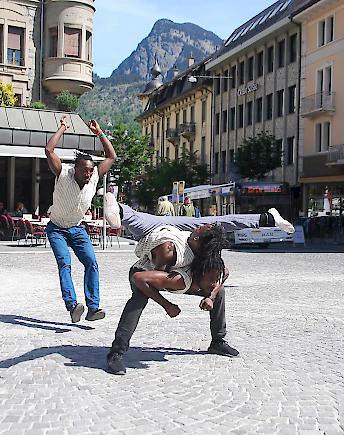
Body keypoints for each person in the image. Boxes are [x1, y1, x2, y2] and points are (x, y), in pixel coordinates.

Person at [107, 225, 236, 375]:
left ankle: (218, 342)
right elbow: (141, 279)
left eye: (202, 227)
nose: (199, 225)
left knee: (219, 292)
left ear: (197, 239)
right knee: (139, 299)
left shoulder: (207, 250)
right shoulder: (169, 249)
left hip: (180, 276)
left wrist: (211, 297)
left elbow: (224, 273)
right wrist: (166, 305)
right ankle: (116, 353)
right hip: (147, 273)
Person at [45, 116, 118, 323]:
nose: (88, 173)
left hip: (77, 228)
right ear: (75, 168)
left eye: (91, 170)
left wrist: (99, 133)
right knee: (64, 263)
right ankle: (73, 305)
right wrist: (62, 128)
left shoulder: (94, 176)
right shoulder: (62, 172)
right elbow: (49, 150)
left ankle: (93, 308)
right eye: (84, 170)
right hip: (57, 228)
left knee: (92, 263)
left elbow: (111, 156)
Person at [104, 192, 295, 240]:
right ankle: (266, 219)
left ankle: (267, 218)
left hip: (165, 225)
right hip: (163, 226)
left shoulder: (142, 219)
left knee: (213, 223)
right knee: (212, 223)